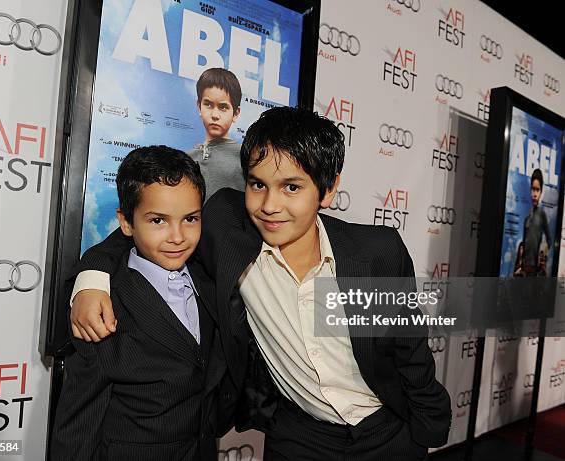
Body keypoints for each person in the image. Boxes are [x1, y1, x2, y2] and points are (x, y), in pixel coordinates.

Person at [70, 107, 451, 460]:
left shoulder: (376, 253)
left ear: (329, 190)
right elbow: (148, 227)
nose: (269, 205)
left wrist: (424, 432)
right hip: (297, 436)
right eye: (257, 184)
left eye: (291, 187)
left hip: (385, 433)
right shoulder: (227, 228)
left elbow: (409, 349)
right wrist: (92, 276)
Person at [51, 146, 233, 461]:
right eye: (158, 221)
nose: (177, 236)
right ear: (126, 223)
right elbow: (78, 426)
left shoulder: (208, 276)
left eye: (190, 219)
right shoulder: (103, 307)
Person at [187, 67, 245, 199]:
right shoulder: (185, 159)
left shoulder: (244, 157)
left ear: (235, 113)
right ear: (199, 106)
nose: (215, 115)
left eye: (223, 107)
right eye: (208, 104)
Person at [521, 168, 552, 276]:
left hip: (535, 270)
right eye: (533, 189)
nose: (535, 194)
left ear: (541, 192)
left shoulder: (542, 215)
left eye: (537, 190)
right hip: (524, 269)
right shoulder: (526, 219)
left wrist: (543, 255)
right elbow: (523, 245)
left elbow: (549, 240)